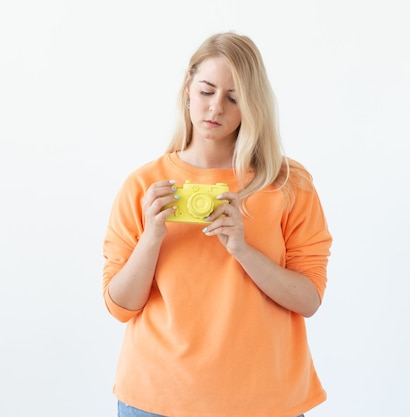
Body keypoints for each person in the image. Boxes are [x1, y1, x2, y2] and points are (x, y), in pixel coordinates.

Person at [101, 32, 332, 417]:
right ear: (187, 89)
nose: (215, 108)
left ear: (251, 105)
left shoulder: (289, 184)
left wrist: (242, 249)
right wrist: (153, 236)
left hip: (265, 402)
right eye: (207, 91)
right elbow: (120, 306)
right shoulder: (143, 185)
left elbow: (309, 299)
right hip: (156, 398)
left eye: (233, 97)